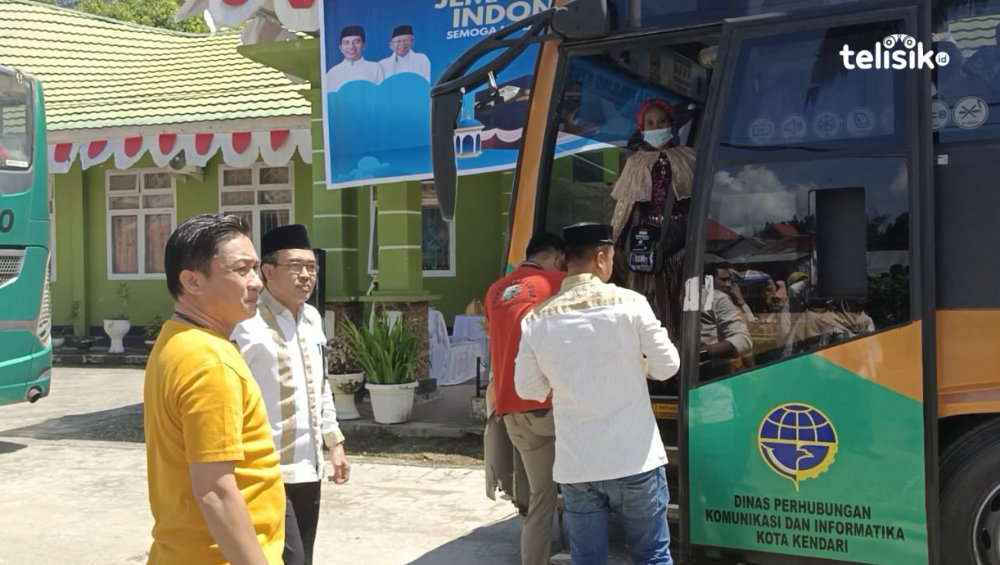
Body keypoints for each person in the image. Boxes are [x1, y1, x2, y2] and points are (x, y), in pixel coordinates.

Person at [515, 222, 680, 565]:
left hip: (578, 467)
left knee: (587, 560)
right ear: (602, 256)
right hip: (636, 460)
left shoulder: (536, 319)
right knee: (651, 556)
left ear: (565, 261)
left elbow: (527, 389)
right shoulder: (631, 303)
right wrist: (642, 367)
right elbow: (668, 366)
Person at [143, 213, 284, 565]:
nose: (257, 283)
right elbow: (216, 491)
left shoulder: (175, 340)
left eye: (255, 269)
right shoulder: (210, 361)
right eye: (241, 270)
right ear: (192, 281)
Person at [231, 225, 350, 565]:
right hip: (264, 470)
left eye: (311, 267)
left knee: (303, 557)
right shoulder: (244, 323)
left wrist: (334, 443)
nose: (306, 275)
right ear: (267, 271)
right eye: (295, 266)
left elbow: (321, 383)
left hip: (308, 469)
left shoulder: (312, 318)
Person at [483, 232, 567, 565]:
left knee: (540, 499)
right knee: (585, 489)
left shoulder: (494, 290)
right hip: (550, 406)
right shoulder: (559, 282)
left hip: (510, 409)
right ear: (559, 256)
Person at [609, 98, 696, 340]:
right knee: (649, 307)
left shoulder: (689, 158)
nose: (656, 127)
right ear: (642, 129)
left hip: (682, 244)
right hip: (645, 244)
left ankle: (680, 362)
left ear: (672, 125)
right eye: (650, 123)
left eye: (661, 121)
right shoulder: (635, 163)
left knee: (681, 305)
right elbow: (624, 209)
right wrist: (616, 246)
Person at [701, 262, 753, 379]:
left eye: (731, 281)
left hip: (731, 370)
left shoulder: (724, 301)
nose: (728, 285)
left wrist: (741, 301)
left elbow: (752, 325)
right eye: (724, 280)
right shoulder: (716, 300)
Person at [324, 25, 384, 93]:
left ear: (363, 45)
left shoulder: (375, 68)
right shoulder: (332, 73)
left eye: (356, 42)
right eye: (346, 43)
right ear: (340, 47)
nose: (351, 46)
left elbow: (382, 94)